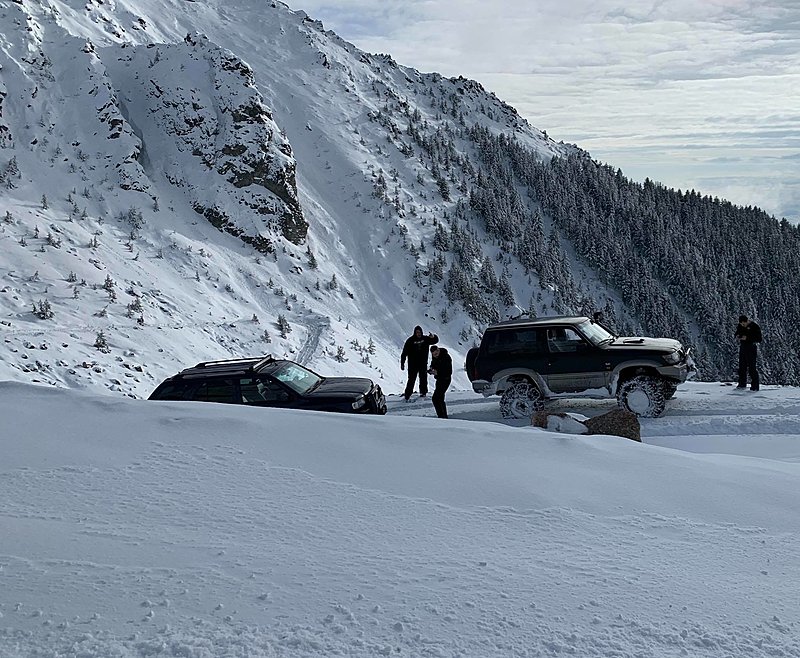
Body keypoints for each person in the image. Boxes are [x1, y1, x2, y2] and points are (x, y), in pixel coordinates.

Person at [400, 325, 439, 401]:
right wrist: (402, 363)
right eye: (417, 332)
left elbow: (435, 341)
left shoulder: (425, 339)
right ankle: (407, 394)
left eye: (419, 332)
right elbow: (404, 352)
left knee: (423, 379)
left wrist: (433, 336)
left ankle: (423, 393)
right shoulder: (410, 341)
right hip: (412, 364)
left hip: (423, 363)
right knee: (411, 379)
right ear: (415, 332)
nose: (418, 334)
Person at [735, 315, 762, 391]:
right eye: (741, 324)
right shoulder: (740, 326)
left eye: (744, 324)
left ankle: (755, 386)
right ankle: (742, 384)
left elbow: (759, 339)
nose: (743, 325)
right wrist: (738, 336)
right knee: (742, 366)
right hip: (743, 347)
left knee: (752, 367)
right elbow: (737, 333)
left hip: (751, 347)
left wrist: (747, 338)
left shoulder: (754, 326)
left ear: (747, 321)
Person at [428, 345, 453, 418]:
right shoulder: (435, 358)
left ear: (438, 350)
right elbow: (433, 365)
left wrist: (437, 372)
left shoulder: (446, 357)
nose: (435, 355)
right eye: (433, 354)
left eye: (436, 353)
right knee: (439, 398)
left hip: (445, 379)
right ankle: (443, 416)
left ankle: (442, 416)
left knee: (436, 398)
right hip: (439, 379)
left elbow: (448, 371)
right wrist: (431, 369)